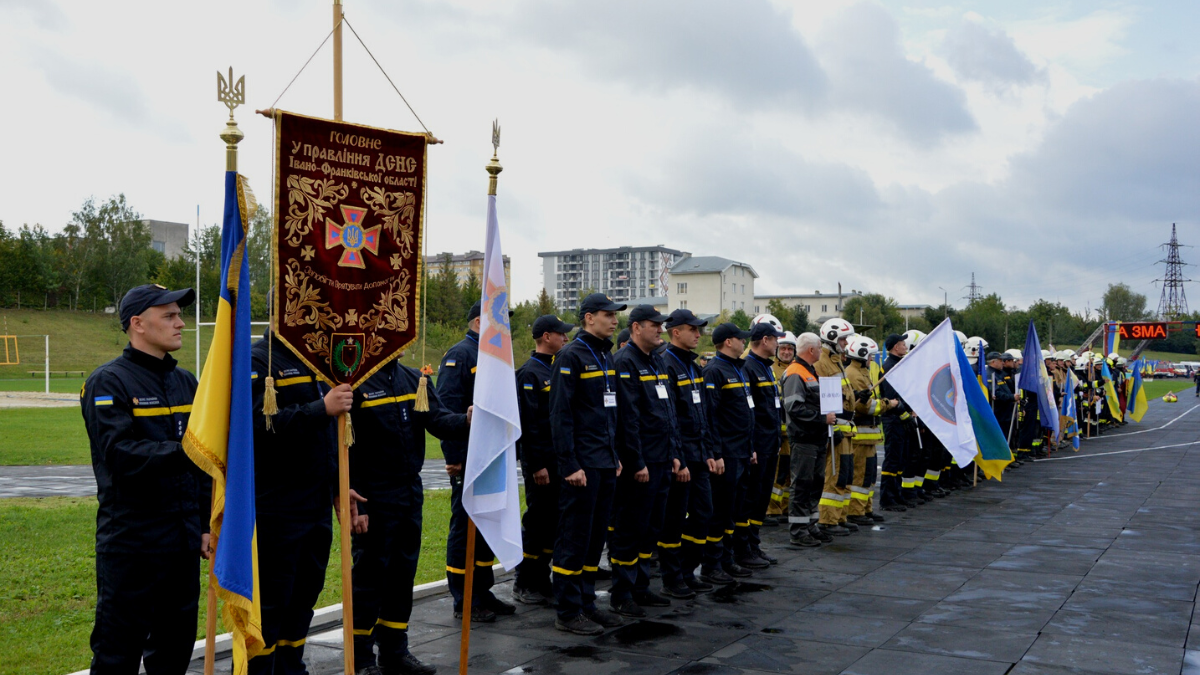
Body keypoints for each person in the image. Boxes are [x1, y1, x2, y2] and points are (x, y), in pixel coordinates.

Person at [81, 284, 209, 674]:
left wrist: (205, 524)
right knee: (118, 652)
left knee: (174, 649)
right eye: (169, 315)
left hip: (183, 541)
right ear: (137, 324)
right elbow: (121, 455)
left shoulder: (187, 382)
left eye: (179, 314)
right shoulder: (109, 382)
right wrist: (187, 452)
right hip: (133, 543)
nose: (181, 323)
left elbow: (206, 466)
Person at [349, 356, 472, 675]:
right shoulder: (356, 381)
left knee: (402, 574)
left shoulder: (414, 379)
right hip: (372, 494)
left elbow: (438, 420)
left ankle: (394, 650)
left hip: (408, 490)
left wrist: (467, 420)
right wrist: (357, 503)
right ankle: (359, 657)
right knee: (369, 576)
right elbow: (345, 447)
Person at [250, 323, 347, 673]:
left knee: (303, 598)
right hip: (278, 506)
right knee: (271, 604)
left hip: (316, 504)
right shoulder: (257, 360)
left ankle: (290, 667)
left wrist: (337, 486)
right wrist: (321, 408)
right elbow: (259, 426)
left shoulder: (317, 361)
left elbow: (326, 439)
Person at [549, 293, 628, 635]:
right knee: (574, 538)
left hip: (604, 462)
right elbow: (560, 415)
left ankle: (586, 603)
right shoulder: (571, 356)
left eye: (615, 315)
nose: (614, 320)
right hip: (581, 466)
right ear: (588, 318)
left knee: (595, 539)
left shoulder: (605, 355)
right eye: (608, 315)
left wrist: (615, 456)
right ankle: (567, 611)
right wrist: (569, 464)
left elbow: (607, 414)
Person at [438, 301, 514, 621]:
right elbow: (447, 408)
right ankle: (464, 598)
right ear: (479, 321)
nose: (505, 328)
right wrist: (454, 457)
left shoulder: (492, 357)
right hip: (469, 457)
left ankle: (482, 591)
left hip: (492, 455)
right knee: (465, 527)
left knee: (486, 525)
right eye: (500, 320)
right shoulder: (461, 355)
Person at [608, 305, 682, 616]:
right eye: (655, 325)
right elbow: (629, 419)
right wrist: (637, 462)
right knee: (630, 529)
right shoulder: (625, 362)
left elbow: (668, 413)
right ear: (637, 327)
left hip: (663, 459)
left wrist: (675, 453)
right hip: (643, 464)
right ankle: (622, 592)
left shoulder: (657, 362)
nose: (661, 330)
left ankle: (640, 586)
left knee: (651, 528)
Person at [512, 315, 574, 606]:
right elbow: (528, 424)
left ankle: (542, 577)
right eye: (561, 334)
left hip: (560, 459)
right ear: (546, 336)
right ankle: (525, 581)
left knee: (554, 523)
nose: (565, 338)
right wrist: (536, 465)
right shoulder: (529, 373)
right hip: (542, 463)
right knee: (537, 523)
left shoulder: (558, 368)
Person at [658, 309, 716, 599]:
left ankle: (687, 569)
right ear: (675, 332)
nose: (698, 334)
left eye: (699, 330)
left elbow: (702, 414)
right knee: (674, 519)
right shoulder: (666, 364)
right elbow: (671, 419)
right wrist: (677, 458)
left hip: (698, 454)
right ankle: (672, 576)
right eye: (692, 329)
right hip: (680, 458)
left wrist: (708, 452)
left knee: (704, 513)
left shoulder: (695, 367)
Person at [701, 323, 757, 582]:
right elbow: (710, 417)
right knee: (720, 511)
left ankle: (727, 559)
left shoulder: (740, 368)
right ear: (727, 342)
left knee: (734, 510)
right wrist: (716, 452)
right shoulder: (715, 371)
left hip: (742, 451)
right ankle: (712, 565)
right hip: (727, 454)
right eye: (740, 338)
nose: (744, 342)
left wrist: (751, 448)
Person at [737, 322, 786, 568]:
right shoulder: (748, 367)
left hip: (770, 444)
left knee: (761, 499)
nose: (779, 343)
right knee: (750, 498)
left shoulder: (767, 368)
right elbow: (749, 413)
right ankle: (743, 549)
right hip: (757, 446)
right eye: (776, 339)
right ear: (765, 340)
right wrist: (752, 446)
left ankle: (753, 545)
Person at [781, 332, 829, 547]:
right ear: (811, 350)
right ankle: (798, 531)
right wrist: (822, 417)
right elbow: (794, 407)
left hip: (816, 436)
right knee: (802, 484)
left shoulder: (809, 371)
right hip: (804, 437)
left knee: (815, 482)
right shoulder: (795, 373)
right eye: (819, 347)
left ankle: (810, 525)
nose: (821, 351)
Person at [814, 318, 857, 536]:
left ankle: (839, 517)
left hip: (845, 426)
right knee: (833, 475)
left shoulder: (836, 360)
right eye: (842, 338)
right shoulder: (822, 362)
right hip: (834, 427)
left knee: (844, 475)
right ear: (831, 338)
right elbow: (820, 397)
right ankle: (828, 520)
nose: (845, 343)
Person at [843, 335, 891, 526]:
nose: (872, 359)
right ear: (861, 354)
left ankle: (866, 508)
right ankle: (856, 511)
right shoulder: (853, 374)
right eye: (870, 356)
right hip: (860, 435)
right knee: (859, 475)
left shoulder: (861, 371)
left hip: (869, 436)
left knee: (869, 475)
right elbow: (864, 407)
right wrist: (888, 404)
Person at [766, 332, 797, 522]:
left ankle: (784, 508)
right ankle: (771, 510)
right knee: (775, 474)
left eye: (790, 349)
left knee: (787, 475)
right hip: (778, 431)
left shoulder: (797, 369)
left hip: (792, 433)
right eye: (783, 348)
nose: (786, 352)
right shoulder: (771, 370)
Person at [878, 334, 911, 511]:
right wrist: (904, 413)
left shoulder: (898, 365)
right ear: (895, 347)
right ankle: (887, 498)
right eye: (902, 344)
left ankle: (896, 494)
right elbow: (891, 398)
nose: (905, 346)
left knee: (900, 460)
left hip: (901, 419)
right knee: (892, 460)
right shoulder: (889, 367)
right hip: (893, 419)